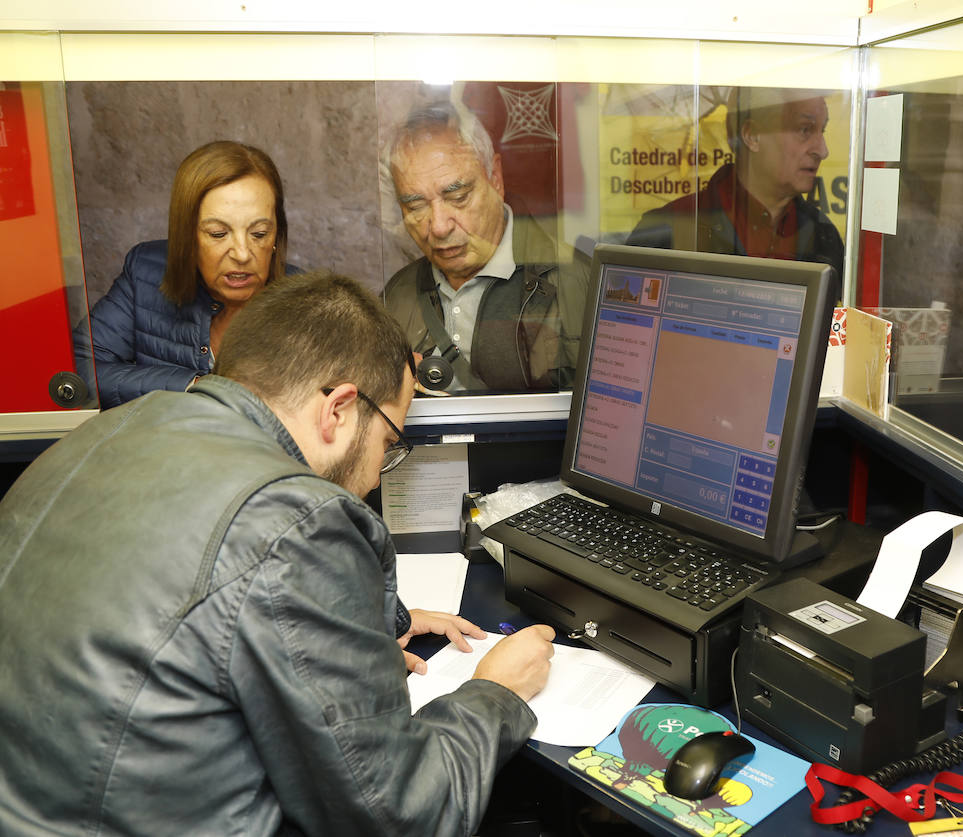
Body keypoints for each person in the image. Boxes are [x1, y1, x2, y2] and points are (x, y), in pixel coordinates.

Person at [0, 271, 556, 835]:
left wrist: (363, 625)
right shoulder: (300, 521)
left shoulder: (104, 434)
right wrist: (496, 694)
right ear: (338, 409)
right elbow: (400, 814)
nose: (372, 478)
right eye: (389, 442)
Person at [382, 102, 588, 393]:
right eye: (415, 206)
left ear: (495, 179)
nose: (439, 226)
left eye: (459, 197)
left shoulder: (578, 283)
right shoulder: (396, 298)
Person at [75, 140, 296, 408]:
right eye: (218, 233)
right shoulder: (144, 272)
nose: (242, 253)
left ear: (276, 236)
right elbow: (78, 368)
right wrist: (191, 386)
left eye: (259, 233)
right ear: (187, 236)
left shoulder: (308, 301)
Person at [626, 87, 844, 277]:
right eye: (805, 129)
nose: (822, 151)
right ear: (752, 135)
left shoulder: (825, 238)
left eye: (822, 131)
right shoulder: (664, 232)